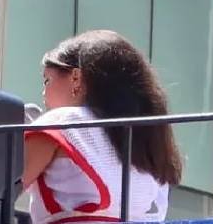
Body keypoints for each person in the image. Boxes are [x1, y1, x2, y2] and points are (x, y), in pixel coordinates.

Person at [22, 31, 182, 223]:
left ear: (75, 78)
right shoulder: (146, 143)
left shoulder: (62, 122)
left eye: (47, 80)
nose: (43, 93)